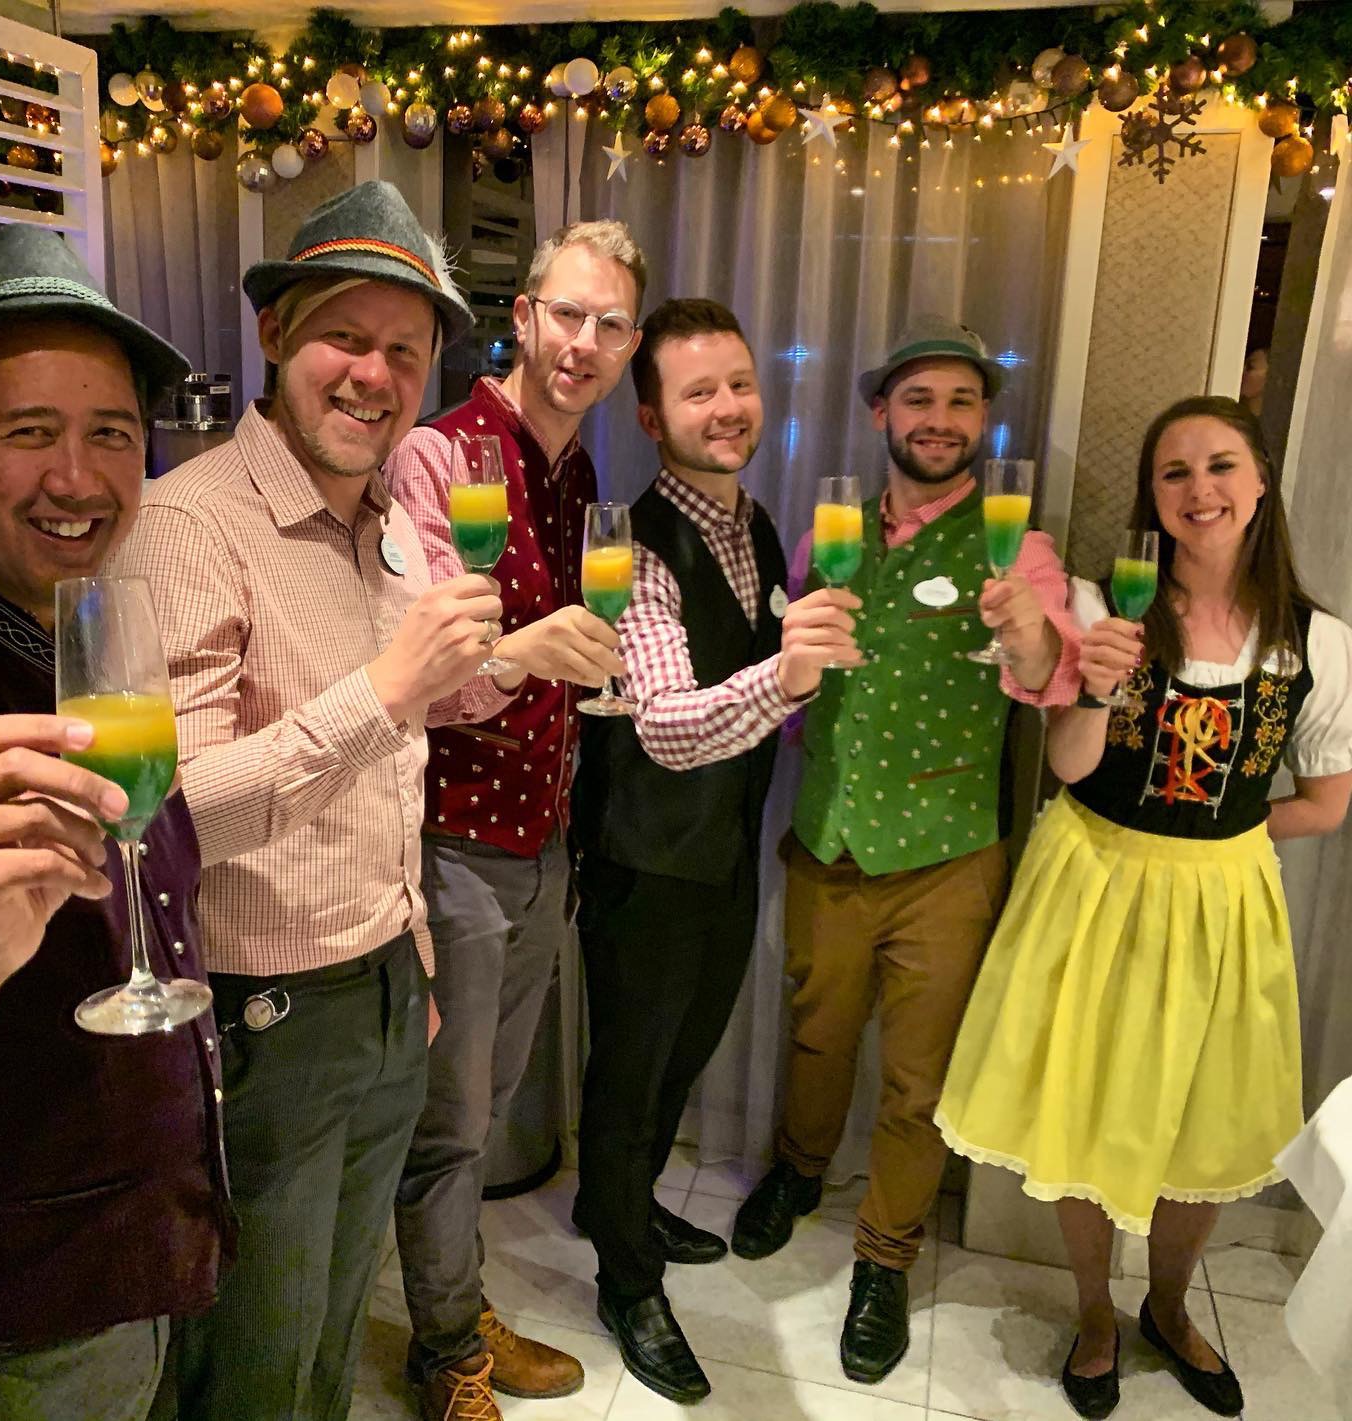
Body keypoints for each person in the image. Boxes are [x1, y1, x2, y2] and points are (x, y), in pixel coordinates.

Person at [113, 181, 600, 1421]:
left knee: (332, 1331)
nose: (374, 374)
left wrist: (412, 950)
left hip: (385, 983)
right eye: (345, 335)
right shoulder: (188, 523)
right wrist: (385, 689)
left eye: (405, 349)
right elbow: (172, 816)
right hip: (263, 1015)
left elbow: (400, 763)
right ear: (275, 335)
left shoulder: (393, 526)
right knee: (258, 1357)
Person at [936, 395, 1352, 1419]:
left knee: (1204, 1116)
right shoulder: (1105, 604)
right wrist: (1094, 687)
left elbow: (1327, 801)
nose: (1199, 489)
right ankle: (1095, 1312)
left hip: (1223, 900)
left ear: (1261, 480)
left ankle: (1168, 1303)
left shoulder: (1319, 642)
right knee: (1086, 1101)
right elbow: (1073, 765)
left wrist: (1225, 840)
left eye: (1221, 465)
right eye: (1175, 471)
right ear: (1152, 496)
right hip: (1095, 878)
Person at [0, 224, 232, 1419]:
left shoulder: (80, 637)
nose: (80, 477)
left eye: (111, 433)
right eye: (30, 431)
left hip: (131, 1260)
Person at [731, 316, 1082, 1386]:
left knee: (919, 1081)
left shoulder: (1018, 547)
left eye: (962, 401)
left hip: (947, 857)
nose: (940, 420)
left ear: (985, 421)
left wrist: (1027, 632)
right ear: (882, 411)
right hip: (829, 839)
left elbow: (1052, 677)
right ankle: (800, 1172)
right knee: (816, 1034)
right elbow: (799, 679)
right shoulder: (829, 532)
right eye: (919, 399)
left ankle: (884, 1256)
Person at [570, 298, 861, 1403]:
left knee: (682, 1059)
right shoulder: (635, 545)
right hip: (644, 860)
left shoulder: (761, 525)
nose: (728, 406)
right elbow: (665, 724)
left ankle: (623, 1204)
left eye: (739, 383)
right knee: (629, 1078)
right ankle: (626, 1279)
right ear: (652, 416)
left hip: (728, 852)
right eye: (699, 391)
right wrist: (789, 676)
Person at [387, 220, 642, 1420]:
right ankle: (448, 1352)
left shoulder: (579, 473)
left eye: (611, 324)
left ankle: (456, 1303)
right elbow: (425, 674)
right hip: (451, 840)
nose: (584, 341)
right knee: (450, 1122)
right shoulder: (440, 454)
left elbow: (581, 655)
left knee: (483, 1112)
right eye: (568, 314)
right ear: (526, 317)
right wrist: (525, 656)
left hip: (543, 838)